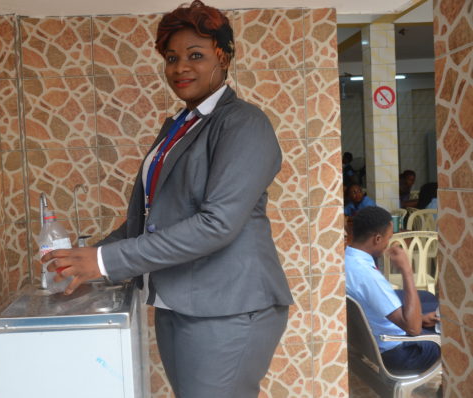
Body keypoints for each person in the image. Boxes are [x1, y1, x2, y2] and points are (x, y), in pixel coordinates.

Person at [41, 1, 293, 396]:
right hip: (177, 302)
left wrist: (106, 262)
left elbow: (217, 223)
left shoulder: (243, 123)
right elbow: (150, 217)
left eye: (196, 55)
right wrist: (88, 262)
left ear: (222, 57)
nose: (180, 68)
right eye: (172, 58)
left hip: (229, 306)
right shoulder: (179, 126)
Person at [345, 206, 440, 373]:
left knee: (427, 298)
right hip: (400, 354)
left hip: (373, 344)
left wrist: (420, 318)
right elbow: (413, 329)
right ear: (377, 239)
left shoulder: (347, 258)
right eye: (388, 238)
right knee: (458, 339)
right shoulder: (368, 276)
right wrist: (407, 270)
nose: (388, 244)